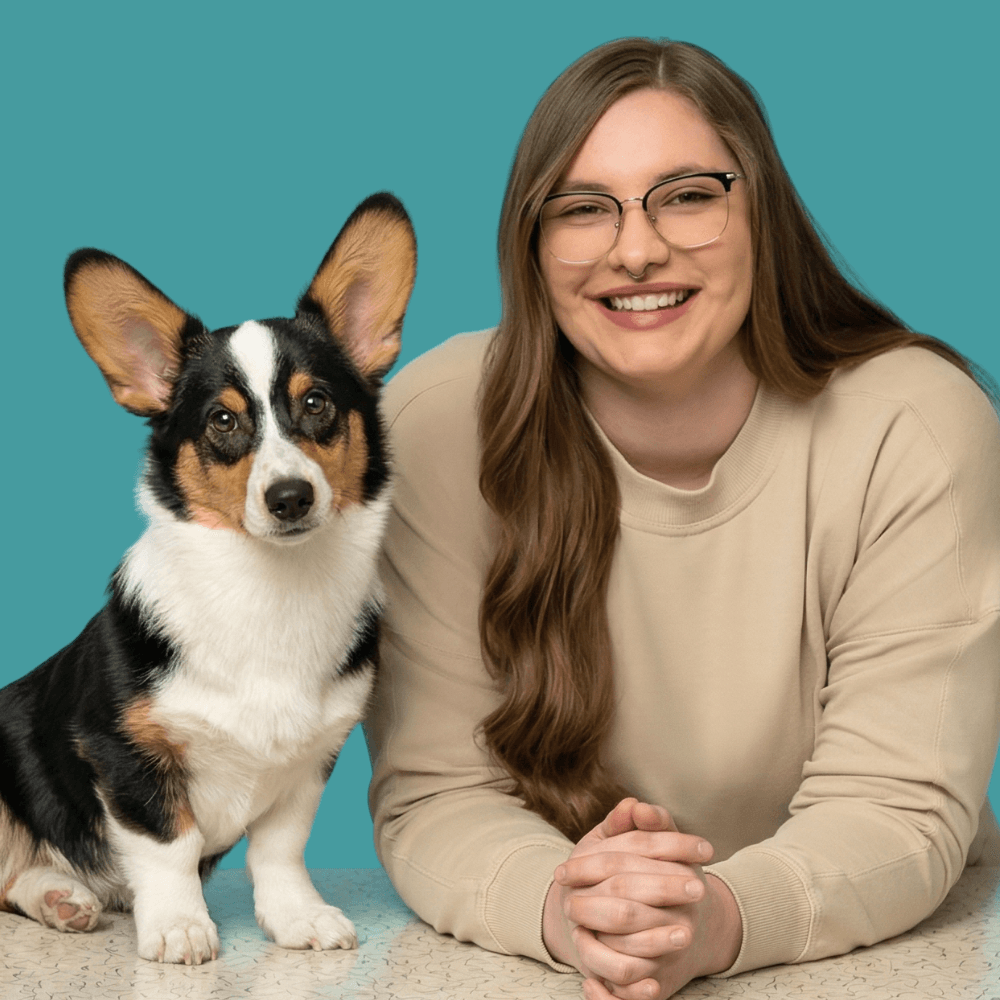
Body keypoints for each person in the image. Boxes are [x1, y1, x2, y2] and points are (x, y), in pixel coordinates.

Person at [363, 37, 1000, 1000]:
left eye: (688, 195)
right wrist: (568, 910)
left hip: (881, 956)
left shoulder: (914, 424)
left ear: (762, 215)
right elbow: (437, 792)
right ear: (531, 246)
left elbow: (897, 804)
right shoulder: (435, 423)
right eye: (582, 209)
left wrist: (717, 922)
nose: (635, 248)